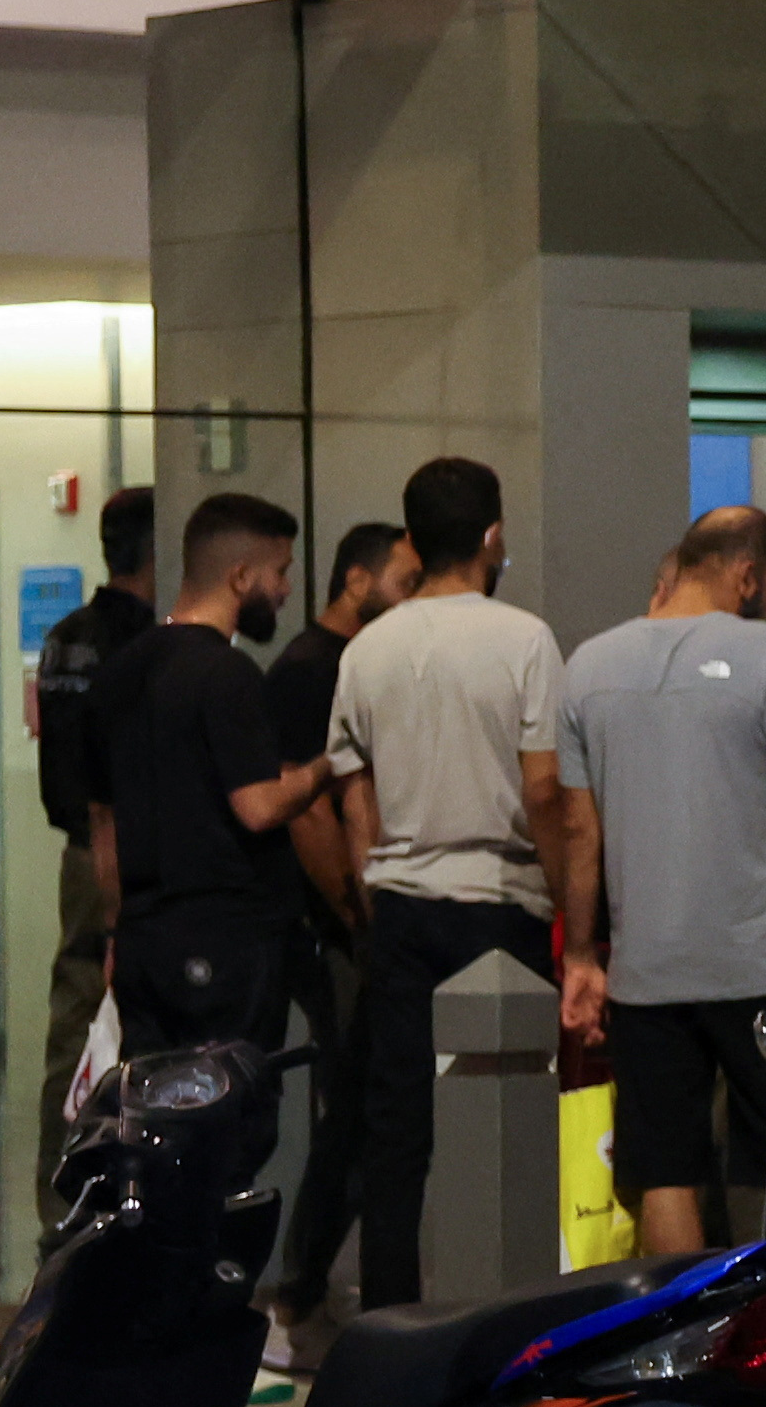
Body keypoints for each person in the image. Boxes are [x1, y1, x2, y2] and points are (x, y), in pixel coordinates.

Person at [558, 512, 766, 1266]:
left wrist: (584, 953)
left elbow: (580, 832)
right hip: (763, 962)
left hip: (648, 968)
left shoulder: (587, 665)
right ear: (747, 576)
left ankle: (683, 1335)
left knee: (665, 1172)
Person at [322, 461, 573, 1311]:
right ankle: (502, 1309)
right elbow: (543, 789)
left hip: (398, 908)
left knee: (397, 1131)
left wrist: (370, 887)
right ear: (494, 536)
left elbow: (352, 788)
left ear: (410, 540)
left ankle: (389, 1319)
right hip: (499, 905)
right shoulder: (525, 639)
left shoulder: (366, 648)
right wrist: (569, 899)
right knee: (506, 1124)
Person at [92, 492, 330, 1062]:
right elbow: (259, 807)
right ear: (240, 575)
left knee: (157, 1112)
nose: (285, 588)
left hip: (143, 940)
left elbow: (102, 823)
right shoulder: (227, 673)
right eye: (280, 571)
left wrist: (114, 934)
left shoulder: (121, 672)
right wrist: (330, 765)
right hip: (224, 938)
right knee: (227, 1119)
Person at [256, 520, 412, 1347]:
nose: (415, 596)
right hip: (329, 929)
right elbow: (305, 805)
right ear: (359, 581)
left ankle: (310, 1288)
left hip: (345, 923)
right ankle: (302, 1293)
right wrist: (355, 915)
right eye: (404, 579)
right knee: (352, 1107)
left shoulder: (353, 664)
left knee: (358, 1108)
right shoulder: (314, 670)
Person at [27, 482, 158, 1179]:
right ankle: (112, 1180)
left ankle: (60, 1189)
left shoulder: (63, 639)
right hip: (122, 851)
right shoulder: (142, 646)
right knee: (133, 1021)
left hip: (75, 849)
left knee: (73, 1023)